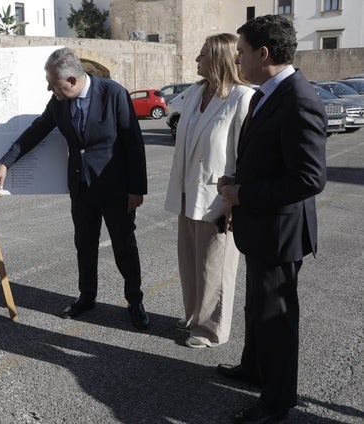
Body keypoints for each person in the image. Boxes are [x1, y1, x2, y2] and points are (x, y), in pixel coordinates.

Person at [0, 47, 150, 329]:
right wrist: (5, 162)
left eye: (54, 83)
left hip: (116, 188)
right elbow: (36, 131)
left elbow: (133, 143)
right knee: (84, 246)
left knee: (124, 246)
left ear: (73, 80)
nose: (49, 88)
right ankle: (87, 297)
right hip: (81, 187)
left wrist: (136, 189)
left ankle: (134, 301)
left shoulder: (113, 93)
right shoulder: (59, 102)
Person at [217, 15, 327, 423]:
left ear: (263, 54)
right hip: (260, 227)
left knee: (276, 320)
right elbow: (268, 158)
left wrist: (242, 193)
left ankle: (277, 401)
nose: (238, 61)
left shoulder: (299, 99)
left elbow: (309, 178)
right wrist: (238, 180)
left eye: (242, 53)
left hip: (281, 233)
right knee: (256, 307)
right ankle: (254, 368)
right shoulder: (266, 92)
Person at [164, 33, 253, 348]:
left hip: (219, 197)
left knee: (215, 266)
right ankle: (192, 316)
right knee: (189, 262)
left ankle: (211, 329)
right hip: (187, 193)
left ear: (218, 58)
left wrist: (234, 202)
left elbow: (246, 155)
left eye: (202, 55)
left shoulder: (242, 97)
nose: (196, 60)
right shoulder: (192, 93)